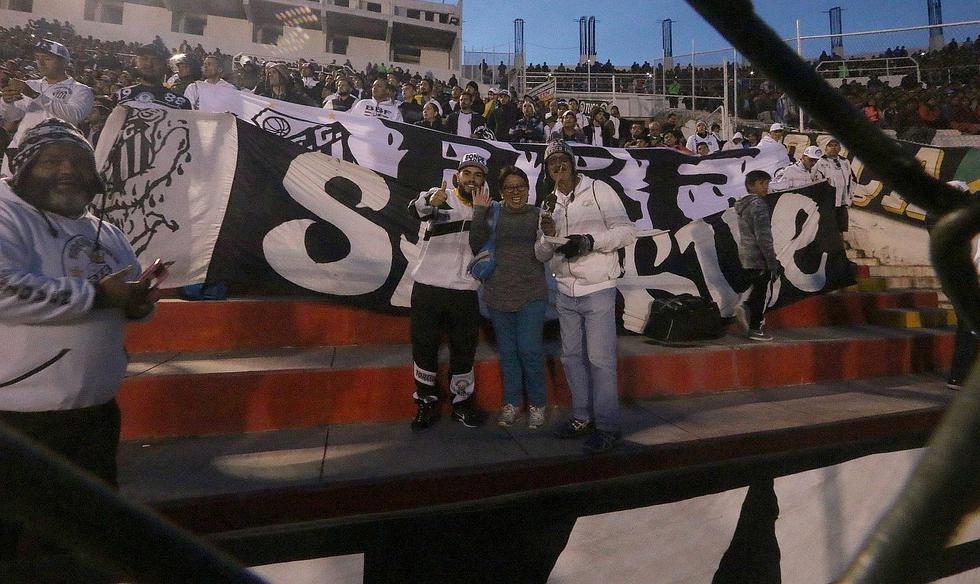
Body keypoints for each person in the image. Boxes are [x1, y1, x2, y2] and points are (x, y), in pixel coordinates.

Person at [0, 119, 158, 562]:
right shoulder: (5, 214)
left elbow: (127, 293)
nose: (67, 170)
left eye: (78, 162)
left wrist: (138, 304)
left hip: (93, 418)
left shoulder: (106, 231)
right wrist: (96, 296)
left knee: (85, 546)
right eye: (52, 161)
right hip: (17, 423)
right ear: (24, 168)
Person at [544, 139, 637, 454]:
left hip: (598, 288)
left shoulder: (599, 190)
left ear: (573, 163)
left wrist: (588, 241)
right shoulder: (549, 203)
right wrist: (544, 235)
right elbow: (543, 250)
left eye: (563, 161)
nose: (559, 167)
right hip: (564, 290)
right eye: (552, 163)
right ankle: (582, 417)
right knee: (571, 358)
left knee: (600, 360)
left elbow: (626, 232)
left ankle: (608, 426)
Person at [406, 153, 489, 431]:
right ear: (457, 176)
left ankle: (462, 404)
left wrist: (481, 213)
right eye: (467, 174)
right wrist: (430, 202)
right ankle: (426, 404)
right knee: (424, 347)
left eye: (478, 175)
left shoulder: (487, 207)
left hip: (465, 291)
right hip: (428, 288)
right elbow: (416, 209)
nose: (472, 180)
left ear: (484, 180)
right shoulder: (439, 196)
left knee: (464, 351)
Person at [469, 166, 554, 429]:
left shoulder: (540, 215)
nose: (515, 192)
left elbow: (548, 252)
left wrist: (550, 232)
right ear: (502, 191)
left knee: (529, 351)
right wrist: (479, 212)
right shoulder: (493, 212)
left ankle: (538, 405)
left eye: (520, 187)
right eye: (509, 187)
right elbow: (476, 244)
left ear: (528, 190)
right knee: (508, 353)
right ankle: (512, 403)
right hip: (498, 293)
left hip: (532, 293)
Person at [1, 39, 93, 175]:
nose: (41, 63)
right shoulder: (31, 84)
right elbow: (13, 117)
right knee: (6, 194)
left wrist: (34, 95)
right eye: (37, 58)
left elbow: (74, 115)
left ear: (64, 62)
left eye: (47, 58)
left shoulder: (80, 90)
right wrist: (7, 102)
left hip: (51, 154)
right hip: (18, 149)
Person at [734, 170, 782, 342]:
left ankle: (742, 304)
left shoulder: (741, 204)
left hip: (745, 254)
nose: (766, 187)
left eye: (767, 183)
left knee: (753, 289)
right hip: (759, 257)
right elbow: (763, 236)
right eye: (762, 183)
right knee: (762, 295)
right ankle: (756, 329)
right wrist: (772, 261)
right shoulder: (759, 205)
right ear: (751, 186)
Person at [115, 43, 192, 110]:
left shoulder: (180, 103)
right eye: (144, 58)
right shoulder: (120, 96)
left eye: (155, 60)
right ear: (136, 62)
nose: (149, 63)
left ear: (165, 65)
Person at [814, 138, 854, 232]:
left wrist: (850, 197)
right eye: (830, 145)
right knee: (828, 226)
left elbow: (851, 179)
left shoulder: (845, 162)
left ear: (840, 148)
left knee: (841, 226)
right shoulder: (820, 162)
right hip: (828, 201)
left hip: (842, 201)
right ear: (825, 148)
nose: (833, 148)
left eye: (836, 145)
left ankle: (841, 243)